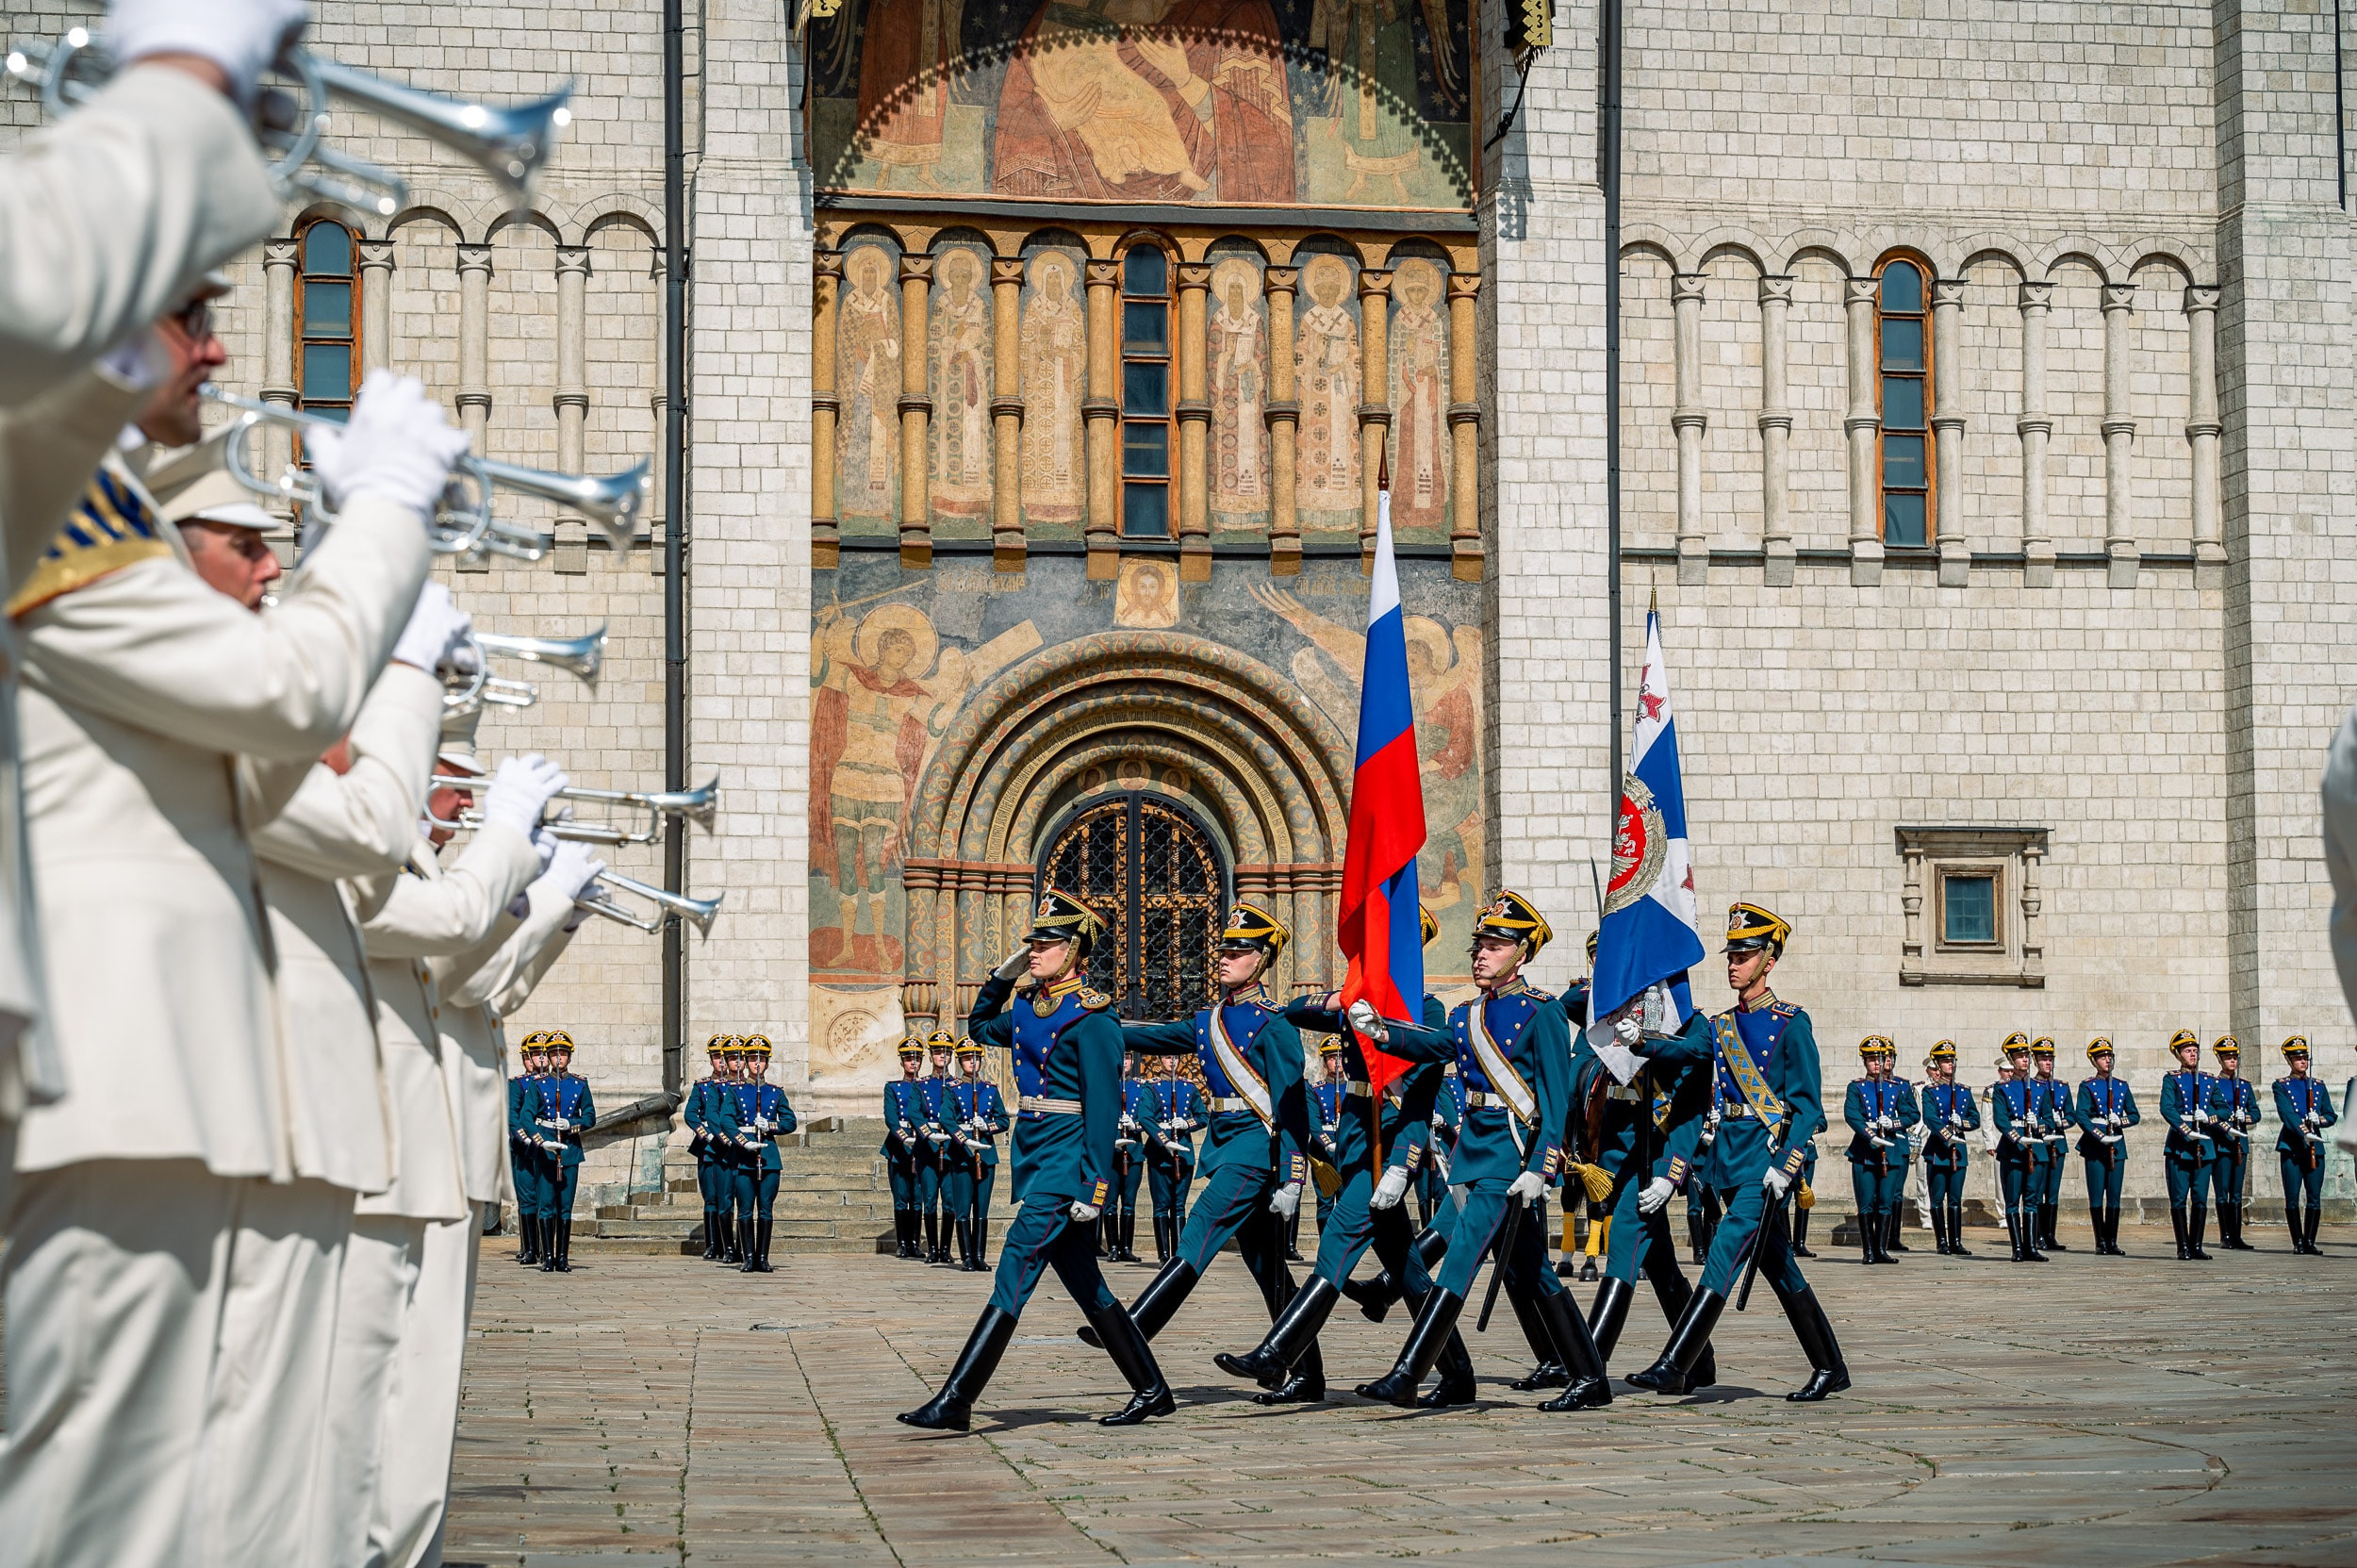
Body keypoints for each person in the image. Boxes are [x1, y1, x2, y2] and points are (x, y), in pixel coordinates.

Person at [0, 362, 466, 1568]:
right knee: (125, 1501)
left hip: (202, 1094)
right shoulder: (64, 496)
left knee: (231, 1488)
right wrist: (382, 580)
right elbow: (330, 777)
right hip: (124, 1075)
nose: (270, 568)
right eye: (189, 309)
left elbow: (284, 753)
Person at [898, 889, 1172, 1430]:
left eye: (1049, 943)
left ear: (1077, 952)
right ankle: (1152, 1387)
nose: (1036, 951)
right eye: (1034, 943)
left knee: (1014, 1265)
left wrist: (1095, 1187)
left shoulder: (1093, 1018)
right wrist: (1000, 980)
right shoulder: (1025, 1006)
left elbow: (1102, 1107)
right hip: (1036, 1147)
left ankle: (956, 1400)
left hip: (1067, 1159)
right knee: (1086, 1282)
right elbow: (978, 1029)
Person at [1354, 891, 1608, 1411]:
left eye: (1495, 945)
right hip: (1472, 1153)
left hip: (1508, 1159)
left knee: (1457, 1263)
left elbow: (1556, 1101)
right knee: (1534, 1270)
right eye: (1479, 945)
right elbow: (1433, 1046)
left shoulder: (1543, 1014)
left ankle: (1408, 1374)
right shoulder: (1466, 1014)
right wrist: (1383, 1033)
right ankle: (1590, 1377)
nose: (1481, 954)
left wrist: (1541, 1166)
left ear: (1522, 952)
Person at [1216, 905, 1468, 1407]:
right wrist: (1346, 997)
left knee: (1336, 1243)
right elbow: (1295, 1011)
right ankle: (1457, 1373)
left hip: (1390, 1140)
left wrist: (1404, 1161)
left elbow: (1418, 1097)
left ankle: (1277, 1353)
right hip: (1357, 1137)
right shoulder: (1359, 999)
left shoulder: (1427, 1011)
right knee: (1410, 1270)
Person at [1075, 901, 1321, 1401]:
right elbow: (1153, 1036)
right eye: (1224, 950)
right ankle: (1308, 1375)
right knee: (1268, 1268)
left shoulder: (1275, 1023)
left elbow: (1293, 1103)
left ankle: (1130, 1327)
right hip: (1224, 1143)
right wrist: (1086, 1024)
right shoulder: (1208, 1020)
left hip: (1255, 1151)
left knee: (1197, 1233)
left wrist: (1295, 1175)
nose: (1226, 959)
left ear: (1263, 960)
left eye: (1240, 951)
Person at [1628, 902, 1847, 1403]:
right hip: (1726, 1162)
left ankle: (1675, 1363)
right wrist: (1643, 1040)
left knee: (1723, 1251)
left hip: (1763, 1167)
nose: (1734, 963)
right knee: (1780, 1267)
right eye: (1732, 954)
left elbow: (1807, 1108)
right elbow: (1686, 1060)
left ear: (1769, 960)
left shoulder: (1792, 1023)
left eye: (1745, 955)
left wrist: (1785, 1166)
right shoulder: (1718, 1025)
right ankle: (1830, 1367)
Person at [1567, 961, 1718, 1386]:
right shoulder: (1613, 1010)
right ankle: (1698, 1360)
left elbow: (1690, 1089)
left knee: (1624, 1246)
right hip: (1619, 1156)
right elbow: (1567, 1004)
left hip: (1655, 1158)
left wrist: (1672, 1174)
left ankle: (1588, 1367)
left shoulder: (1693, 1024)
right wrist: (1606, 982)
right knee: (1662, 1265)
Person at [1843, 1035, 1919, 1265]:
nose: (1876, 1063)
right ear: (1865, 1062)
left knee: (1886, 1201)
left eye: (1880, 1058)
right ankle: (1868, 1251)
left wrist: (1894, 1123)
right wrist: (1871, 1134)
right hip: (1865, 1150)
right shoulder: (1856, 1087)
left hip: (1891, 1151)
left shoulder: (1897, 1088)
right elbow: (1852, 1115)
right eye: (1871, 1059)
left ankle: (1882, 1249)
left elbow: (1912, 1114)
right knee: (1866, 1201)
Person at [723, 1034, 794, 1273]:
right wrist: (744, 1143)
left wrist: (771, 1126)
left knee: (765, 1208)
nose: (757, 1063)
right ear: (746, 1062)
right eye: (753, 1058)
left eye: (761, 1059)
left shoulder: (775, 1093)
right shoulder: (735, 1091)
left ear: (767, 1063)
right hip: (744, 1157)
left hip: (769, 1157)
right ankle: (748, 1257)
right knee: (744, 1208)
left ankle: (763, 1257)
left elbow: (790, 1121)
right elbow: (726, 1120)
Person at [2072, 1037, 2138, 1256]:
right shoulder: (2087, 1086)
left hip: (2117, 1145)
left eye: (2109, 1056)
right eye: (2102, 1057)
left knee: (2115, 1195)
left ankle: (2112, 1240)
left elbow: (2135, 1115)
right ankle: (2100, 1241)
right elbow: (2081, 1115)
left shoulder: (2121, 1086)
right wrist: (2100, 1135)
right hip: (2095, 1145)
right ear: (2094, 1060)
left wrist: (2121, 1121)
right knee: (2096, 1195)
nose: (2107, 1060)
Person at [2272, 1036, 2335, 1254]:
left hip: (2314, 1148)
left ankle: (2309, 1240)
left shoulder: (2318, 1085)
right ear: (2289, 1060)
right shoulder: (2281, 1085)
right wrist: (2304, 1131)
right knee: (2292, 1198)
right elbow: (2286, 1114)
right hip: (2292, 1146)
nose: (2303, 1062)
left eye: (2305, 1058)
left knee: (2314, 1198)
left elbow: (2331, 1114)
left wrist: (2320, 1120)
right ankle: (2297, 1241)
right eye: (2298, 1058)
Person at [949, 1038, 1008, 1270]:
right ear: (960, 1062)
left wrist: (987, 1126)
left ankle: (979, 1255)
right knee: (963, 1207)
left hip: (986, 1154)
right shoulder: (954, 1090)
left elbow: (1003, 1119)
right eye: (966, 1058)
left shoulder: (990, 1089)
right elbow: (946, 1118)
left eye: (974, 1058)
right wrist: (964, 1137)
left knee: (981, 1207)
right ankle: (966, 1257)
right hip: (963, 1154)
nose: (971, 1062)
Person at [2160, 1028, 2218, 1260]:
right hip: (2180, 1145)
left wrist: (2208, 1116)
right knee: (2179, 1197)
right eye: (2187, 1051)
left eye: (2194, 1050)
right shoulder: (2172, 1079)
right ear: (2178, 1054)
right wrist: (2185, 1130)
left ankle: (2196, 1245)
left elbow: (2222, 1108)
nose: (2192, 1055)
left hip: (2204, 1145)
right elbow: (2167, 1108)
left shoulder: (2208, 1080)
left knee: (2201, 1198)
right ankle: (2182, 1245)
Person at [1919, 1041, 1979, 1256]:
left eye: (1952, 1060)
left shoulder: (1964, 1091)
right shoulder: (1930, 1091)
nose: (1950, 1064)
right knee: (1937, 1199)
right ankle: (1941, 1241)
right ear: (1937, 1064)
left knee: (1955, 1198)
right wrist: (1948, 1135)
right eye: (1945, 1061)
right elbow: (1930, 1118)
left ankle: (1956, 1241)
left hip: (1958, 1152)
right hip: (1938, 1151)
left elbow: (1975, 1119)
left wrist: (1962, 1123)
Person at [1987, 1034, 2045, 1262]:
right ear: (2011, 1060)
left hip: (2035, 1148)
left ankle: (2031, 1246)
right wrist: (2017, 1138)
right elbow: (2000, 1119)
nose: (2024, 1061)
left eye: (2026, 1056)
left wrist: (2038, 1124)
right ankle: (2017, 1248)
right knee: (2012, 1199)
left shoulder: (2039, 1087)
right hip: (2012, 1149)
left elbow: (2048, 1119)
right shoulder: (2002, 1088)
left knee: (2032, 1199)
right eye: (2019, 1057)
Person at [1143, 1055, 1200, 1260]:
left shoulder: (1189, 1087)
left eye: (1175, 1058)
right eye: (1167, 1057)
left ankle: (1178, 1254)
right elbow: (1145, 1117)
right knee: (1161, 1205)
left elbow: (1203, 1116)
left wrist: (1187, 1124)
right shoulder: (1151, 1087)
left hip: (1183, 1151)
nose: (1172, 1062)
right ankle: (1163, 1255)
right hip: (1160, 1153)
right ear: (1160, 1061)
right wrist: (1164, 1140)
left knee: (1179, 1206)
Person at [685, 1036, 737, 1261]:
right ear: (711, 1060)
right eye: (717, 1058)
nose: (722, 1063)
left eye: (723, 1058)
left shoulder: (738, 1086)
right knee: (711, 1197)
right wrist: (706, 1135)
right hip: (710, 1147)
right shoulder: (703, 1086)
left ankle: (729, 1244)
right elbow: (690, 1115)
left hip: (733, 1145)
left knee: (730, 1196)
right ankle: (713, 1243)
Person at [2208, 1036, 2261, 1251]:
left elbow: (2255, 1113)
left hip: (2239, 1144)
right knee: (2222, 1191)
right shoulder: (2212, 1084)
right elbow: (2211, 1110)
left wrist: (2245, 1116)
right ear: (2220, 1059)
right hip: (2222, 1143)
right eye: (2227, 1057)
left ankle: (2237, 1236)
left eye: (2234, 1057)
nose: (2232, 1061)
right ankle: (2225, 1235)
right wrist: (2227, 1120)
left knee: (2236, 1192)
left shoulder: (2244, 1086)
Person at [2026, 1038, 2074, 1251]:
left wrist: (2060, 1121)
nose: (2048, 1063)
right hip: (2038, 1144)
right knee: (2036, 1191)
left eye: (2050, 1059)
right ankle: (2037, 1235)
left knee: (2052, 1192)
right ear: (2035, 1061)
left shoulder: (2062, 1087)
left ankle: (2050, 1234)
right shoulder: (2030, 1086)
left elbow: (2072, 1116)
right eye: (2044, 1059)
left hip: (2057, 1145)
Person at [882, 1037, 927, 1259]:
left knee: (917, 1197)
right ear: (902, 1062)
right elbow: (891, 1118)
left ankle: (915, 1243)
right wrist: (904, 1138)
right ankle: (902, 1243)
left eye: (916, 1059)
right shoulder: (893, 1088)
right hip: (899, 1148)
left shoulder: (927, 1087)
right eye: (909, 1059)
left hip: (921, 1146)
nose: (913, 1063)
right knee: (901, 1196)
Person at [915, 1030, 959, 1263]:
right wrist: (929, 1134)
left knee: (950, 1201)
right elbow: (915, 1113)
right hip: (928, 1149)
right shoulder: (921, 1085)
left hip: (952, 1149)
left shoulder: (958, 1085)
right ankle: (932, 1249)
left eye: (946, 1052)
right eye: (938, 1052)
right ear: (931, 1056)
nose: (942, 1056)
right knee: (930, 1199)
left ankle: (946, 1248)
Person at [510, 1035, 552, 1263]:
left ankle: (547, 1250)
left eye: (544, 1054)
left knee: (547, 1198)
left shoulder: (553, 1082)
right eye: (536, 1054)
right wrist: (528, 1138)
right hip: (525, 1148)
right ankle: (529, 1249)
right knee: (527, 1198)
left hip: (546, 1147)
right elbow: (513, 1117)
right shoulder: (518, 1084)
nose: (541, 1058)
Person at [1110, 1052, 1151, 1262]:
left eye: (1127, 1058)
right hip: (1112, 1149)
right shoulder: (1107, 1085)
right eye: (1121, 1058)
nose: (1125, 1062)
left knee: (1129, 1201)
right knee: (1110, 1202)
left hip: (1134, 1149)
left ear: (1132, 1061)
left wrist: (1135, 1125)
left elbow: (1150, 1116)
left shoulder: (1141, 1087)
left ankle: (1126, 1247)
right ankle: (1113, 1248)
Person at [1308, 1038, 1347, 1252]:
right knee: (1325, 1203)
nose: (1337, 1062)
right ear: (1325, 1062)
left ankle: (1340, 1248)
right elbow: (1313, 1123)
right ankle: (1326, 1247)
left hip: (1348, 1151)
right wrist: (1328, 1143)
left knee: (1344, 1204)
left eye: (1339, 1057)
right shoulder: (1315, 1089)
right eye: (1332, 1058)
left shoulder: (1354, 1089)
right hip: (1323, 1153)